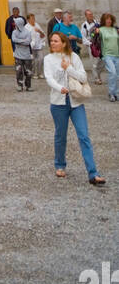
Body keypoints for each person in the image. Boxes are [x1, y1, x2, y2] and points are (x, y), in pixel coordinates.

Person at [43, 31, 105, 185]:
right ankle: (60, 165)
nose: (52, 43)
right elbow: (49, 78)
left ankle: (93, 173)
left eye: (56, 41)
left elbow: (83, 77)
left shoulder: (74, 57)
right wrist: (60, 88)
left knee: (84, 136)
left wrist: (68, 68)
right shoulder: (48, 59)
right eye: (51, 41)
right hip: (58, 104)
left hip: (76, 103)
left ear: (64, 43)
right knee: (60, 136)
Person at [98, 13, 119, 103]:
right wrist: (94, 33)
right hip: (107, 55)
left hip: (117, 55)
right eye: (107, 19)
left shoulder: (115, 29)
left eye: (110, 19)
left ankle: (116, 94)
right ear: (104, 20)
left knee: (117, 75)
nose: (109, 20)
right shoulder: (100, 29)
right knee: (113, 73)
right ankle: (111, 93)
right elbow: (91, 36)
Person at [11, 15, 34, 90]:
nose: (14, 24)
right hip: (18, 55)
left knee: (28, 72)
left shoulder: (27, 32)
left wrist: (20, 41)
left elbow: (28, 42)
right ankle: (20, 85)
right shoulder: (14, 32)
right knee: (19, 71)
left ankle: (28, 86)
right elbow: (14, 40)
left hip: (27, 55)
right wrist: (23, 40)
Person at [80, 10, 101, 84]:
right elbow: (83, 37)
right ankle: (96, 78)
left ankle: (98, 75)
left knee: (100, 61)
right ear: (86, 16)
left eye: (91, 14)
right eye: (89, 15)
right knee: (93, 62)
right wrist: (90, 44)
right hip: (91, 45)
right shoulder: (84, 25)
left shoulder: (97, 23)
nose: (90, 16)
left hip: (99, 44)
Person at [27, 13, 46, 78]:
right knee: (34, 61)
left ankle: (40, 73)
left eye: (34, 18)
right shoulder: (26, 27)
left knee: (41, 59)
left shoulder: (37, 25)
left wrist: (39, 32)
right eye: (32, 18)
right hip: (31, 46)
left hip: (39, 45)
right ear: (28, 20)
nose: (33, 20)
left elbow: (43, 35)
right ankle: (34, 73)